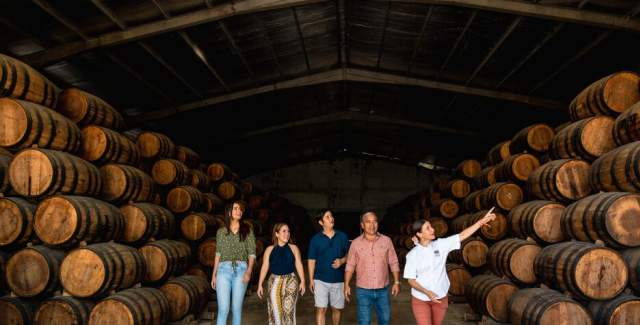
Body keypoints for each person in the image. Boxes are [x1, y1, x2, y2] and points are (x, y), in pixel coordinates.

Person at [404, 209, 497, 325]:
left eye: (431, 226)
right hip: (421, 299)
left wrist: (480, 223)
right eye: (428, 228)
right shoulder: (413, 254)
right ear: (419, 234)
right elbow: (411, 280)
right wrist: (427, 292)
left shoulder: (441, 245)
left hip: (440, 296)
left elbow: (462, 235)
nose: (433, 229)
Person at [344, 211, 400, 325]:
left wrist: (397, 282)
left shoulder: (386, 240)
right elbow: (350, 265)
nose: (372, 225)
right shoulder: (355, 243)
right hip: (363, 290)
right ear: (362, 225)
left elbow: (393, 262)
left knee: (385, 320)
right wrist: (346, 284)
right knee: (364, 321)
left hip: (383, 289)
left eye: (374, 221)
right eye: (368, 222)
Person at [211, 201, 256, 325]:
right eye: (236, 209)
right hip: (223, 270)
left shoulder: (247, 230)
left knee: (236, 309)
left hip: (241, 270)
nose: (239, 211)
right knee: (223, 309)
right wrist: (214, 274)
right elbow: (218, 254)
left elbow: (252, 254)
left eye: (240, 209)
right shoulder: (221, 232)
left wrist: (249, 271)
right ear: (229, 212)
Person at [257, 223, 306, 325]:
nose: (287, 233)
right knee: (275, 311)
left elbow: (299, 264)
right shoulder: (269, 249)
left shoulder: (293, 248)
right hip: (274, 281)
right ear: (277, 234)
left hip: (291, 280)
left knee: (288, 311)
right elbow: (265, 267)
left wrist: (303, 281)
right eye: (283, 231)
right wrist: (260, 284)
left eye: (288, 231)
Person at [308, 210, 350, 325]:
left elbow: (350, 256)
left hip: (338, 279)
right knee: (321, 309)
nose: (331, 218)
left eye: (331, 216)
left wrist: (341, 261)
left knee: (336, 309)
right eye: (327, 217)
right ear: (321, 222)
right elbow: (311, 260)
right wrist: (311, 279)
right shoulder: (315, 239)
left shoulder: (342, 236)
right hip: (320, 279)